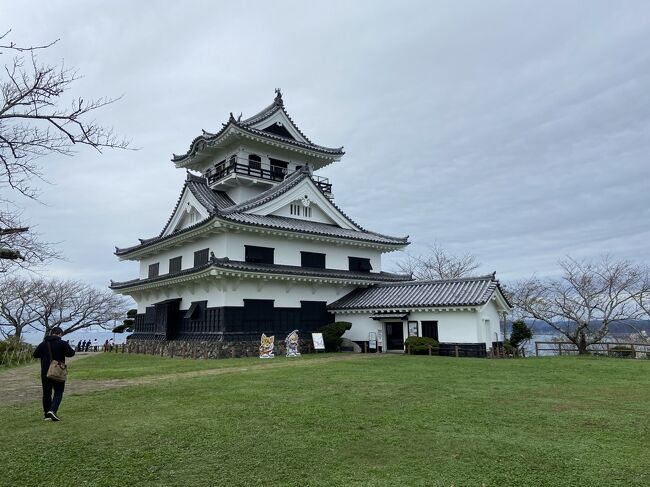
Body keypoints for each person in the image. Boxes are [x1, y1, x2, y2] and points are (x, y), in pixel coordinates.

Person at [33, 327, 75, 421]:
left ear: (52, 333)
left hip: (45, 372)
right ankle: (52, 410)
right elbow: (71, 353)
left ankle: (47, 415)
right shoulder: (62, 343)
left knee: (46, 394)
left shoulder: (43, 344)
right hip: (58, 371)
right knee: (58, 392)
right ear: (60, 334)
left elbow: (35, 354)